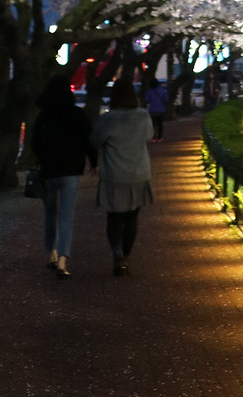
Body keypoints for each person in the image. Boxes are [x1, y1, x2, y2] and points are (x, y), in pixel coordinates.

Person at [31, 73, 96, 278]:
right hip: (71, 171)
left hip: (49, 170)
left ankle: (51, 253)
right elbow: (88, 140)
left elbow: (34, 143)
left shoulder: (44, 115)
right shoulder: (77, 114)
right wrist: (93, 162)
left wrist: (42, 157)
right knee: (66, 216)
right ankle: (62, 261)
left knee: (50, 214)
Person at [91, 77, 154, 276]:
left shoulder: (108, 118)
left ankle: (115, 250)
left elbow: (96, 141)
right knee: (132, 217)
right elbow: (149, 136)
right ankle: (126, 256)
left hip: (114, 174)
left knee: (114, 217)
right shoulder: (143, 116)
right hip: (139, 172)